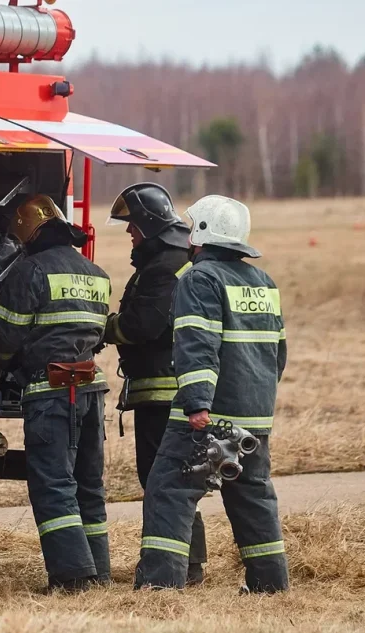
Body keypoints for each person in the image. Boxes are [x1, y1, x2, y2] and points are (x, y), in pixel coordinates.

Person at [134, 195, 289, 594]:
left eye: (191, 226)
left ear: (202, 233)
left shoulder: (199, 279)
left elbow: (196, 344)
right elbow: (278, 352)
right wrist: (257, 403)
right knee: (253, 497)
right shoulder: (263, 282)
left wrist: (198, 403)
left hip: (210, 417)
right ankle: (270, 586)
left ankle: (160, 587)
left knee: (169, 490)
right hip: (254, 416)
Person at [0, 194, 111, 592]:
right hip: (91, 387)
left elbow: (3, 337)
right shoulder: (96, 273)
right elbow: (98, 334)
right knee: (88, 485)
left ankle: (72, 578)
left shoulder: (31, 270)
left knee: (53, 485)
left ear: (28, 234)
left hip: (53, 391)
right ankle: (98, 571)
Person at [102, 183, 207, 584]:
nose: (129, 234)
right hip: (172, 389)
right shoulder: (176, 257)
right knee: (176, 478)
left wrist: (104, 327)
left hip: (163, 392)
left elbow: (142, 325)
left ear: (147, 224)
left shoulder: (163, 266)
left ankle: (175, 568)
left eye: (132, 226)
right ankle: (186, 563)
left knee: (164, 480)